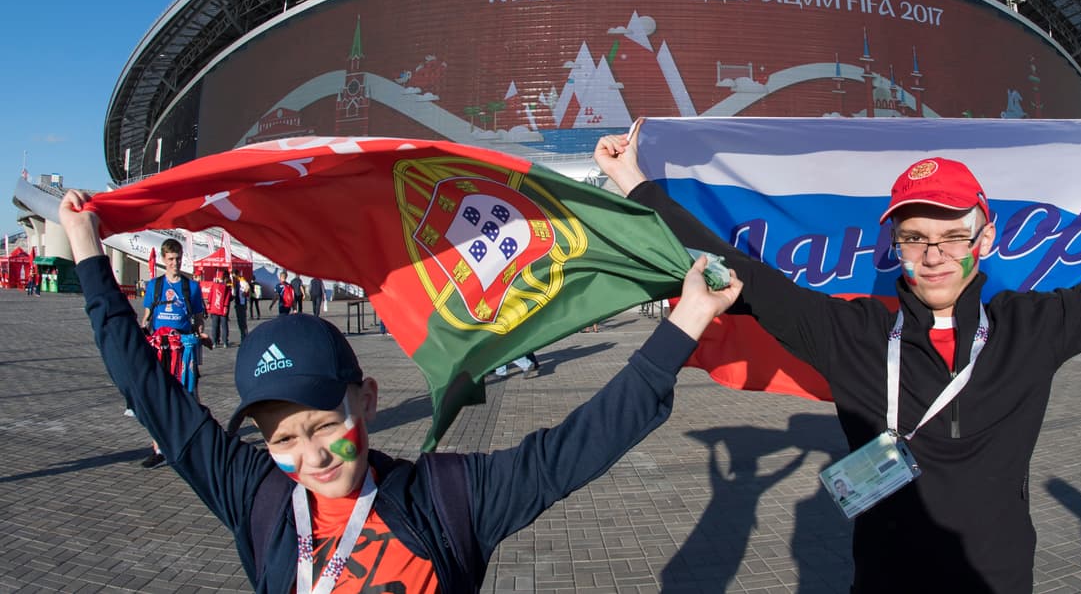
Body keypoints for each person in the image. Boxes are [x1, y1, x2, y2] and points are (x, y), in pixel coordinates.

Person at [595, 124, 1081, 594]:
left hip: (998, 579)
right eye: (915, 237)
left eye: (951, 235)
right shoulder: (851, 332)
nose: (934, 254)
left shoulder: (1033, 326)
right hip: (884, 581)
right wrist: (635, 183)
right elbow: (738, 270)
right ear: (895, 244)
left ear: (986, 237)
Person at [60, 188, 740, 593]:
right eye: (283, 438)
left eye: (323, 423)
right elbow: (151, 392)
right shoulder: (258, 497)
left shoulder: (447, 500)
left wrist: (685, 322)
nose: (312, 456)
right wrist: (88, 254)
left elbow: (574, 449)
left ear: (368, 399)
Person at [139, 237, 209, 468]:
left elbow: (198, 318)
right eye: (170, 259)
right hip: (161, 347)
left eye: (178, 258)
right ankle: (158, 448)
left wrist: (200, 334)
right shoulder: (155, 286)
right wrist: (141, 333)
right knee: (159, 396)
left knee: (190, 395)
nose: (175, 263)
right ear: (163, 260)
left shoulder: (192, 287)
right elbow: (147, 316)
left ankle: (196, 443)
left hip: (184, 347)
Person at [206, 268, 232, 347]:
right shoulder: (226, 287)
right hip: (222, 308)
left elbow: (210, 295)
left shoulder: (214, 285)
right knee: (224, 325)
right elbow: (228, 298)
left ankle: (214, 341)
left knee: (215, 325)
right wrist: (225, 306)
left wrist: (209, 303)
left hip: (215, 308)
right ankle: (224, 342)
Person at [233, 273, 250, 341]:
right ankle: (243, 336)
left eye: (234, 276)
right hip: (238, 304)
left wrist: (245, 293)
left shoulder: (242, 281)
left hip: (241, 304)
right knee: (240, 322)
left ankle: (244, 337)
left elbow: (247, 287)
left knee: (242, 322)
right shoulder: (236, 283)